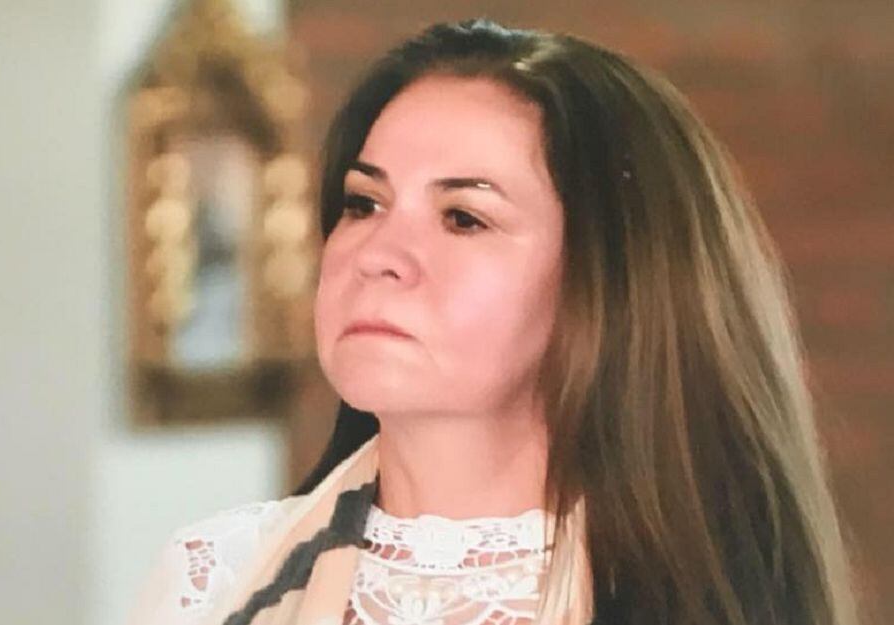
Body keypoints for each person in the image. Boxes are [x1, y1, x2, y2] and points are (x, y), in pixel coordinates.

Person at [127, 19, 858, 625]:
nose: (377, 255)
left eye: (463, 217)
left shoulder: (711, 599)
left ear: (608, 282)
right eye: (363, 203)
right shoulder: (215, 582)